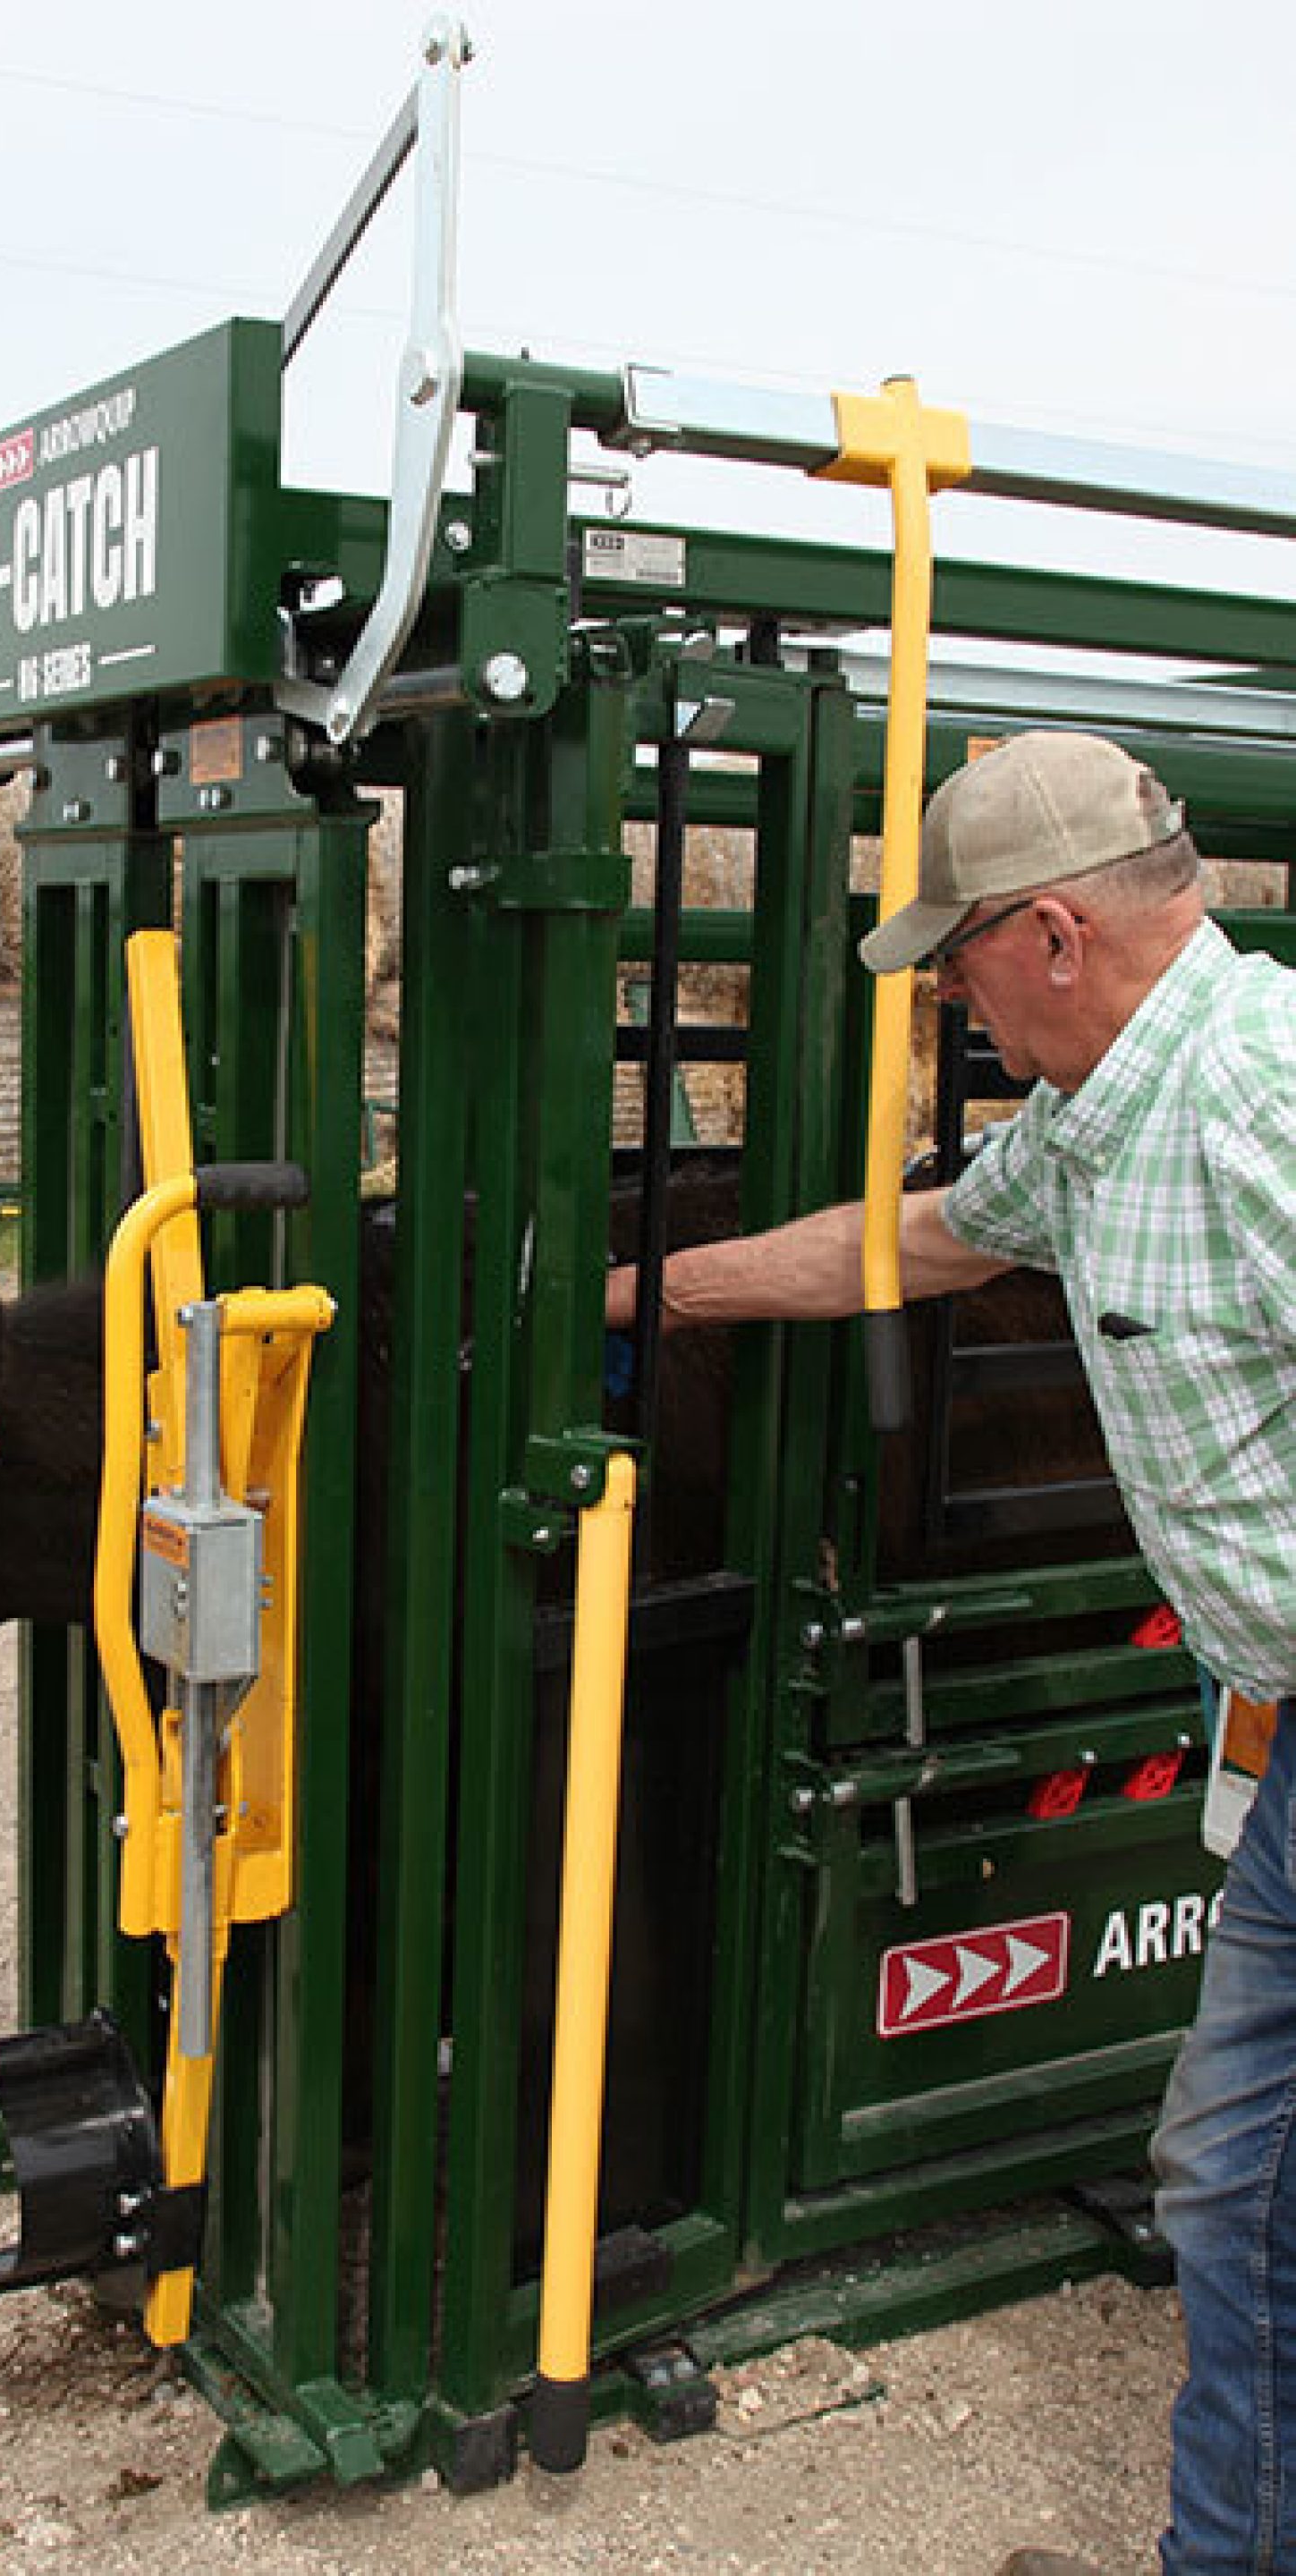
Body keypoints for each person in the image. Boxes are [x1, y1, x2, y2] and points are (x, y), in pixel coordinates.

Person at [605, 728, 1296, 2576]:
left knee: (1243, 2186)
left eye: (957, 959)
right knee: (1233, 2181)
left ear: (1054, 938)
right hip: (1286, 1741)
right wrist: (646, 1291)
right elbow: (904, 1246)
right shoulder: (1096, 1124)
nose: (947, 1003)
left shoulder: (1264, 1106)